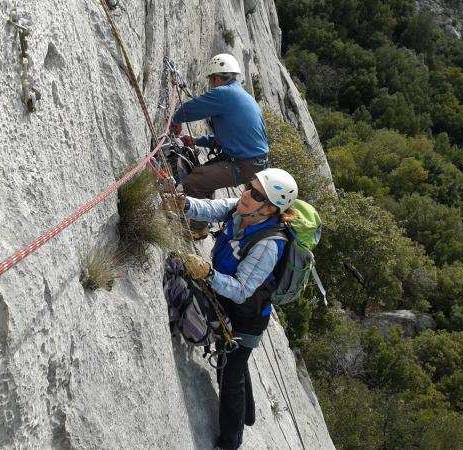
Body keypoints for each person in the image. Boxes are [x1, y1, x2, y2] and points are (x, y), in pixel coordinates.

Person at [165, 168, 298, 450]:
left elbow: (241, 290)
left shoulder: (269, 244)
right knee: (235, 365)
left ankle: (230, 442)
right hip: (225, 297)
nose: (246, 194)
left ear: (273, 208)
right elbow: (210, 208)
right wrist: (185, 205)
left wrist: (208, 274)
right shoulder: (240, 211)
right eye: (249, 187)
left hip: (246, 319)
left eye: (256, 194)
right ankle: (248, 413)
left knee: (229, 373)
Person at [170, 53, 270, 239]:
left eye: (211, 80)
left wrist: (176, 119)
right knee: (204, 175)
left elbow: (192, 108)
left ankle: (198, 227)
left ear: (216, 78)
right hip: (251, 162)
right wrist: (196, 141)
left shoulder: (224, 93)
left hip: (244, 164)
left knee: (194, 181)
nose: (211, 85)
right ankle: (203, 214)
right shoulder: (241, 96)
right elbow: (231, 137)